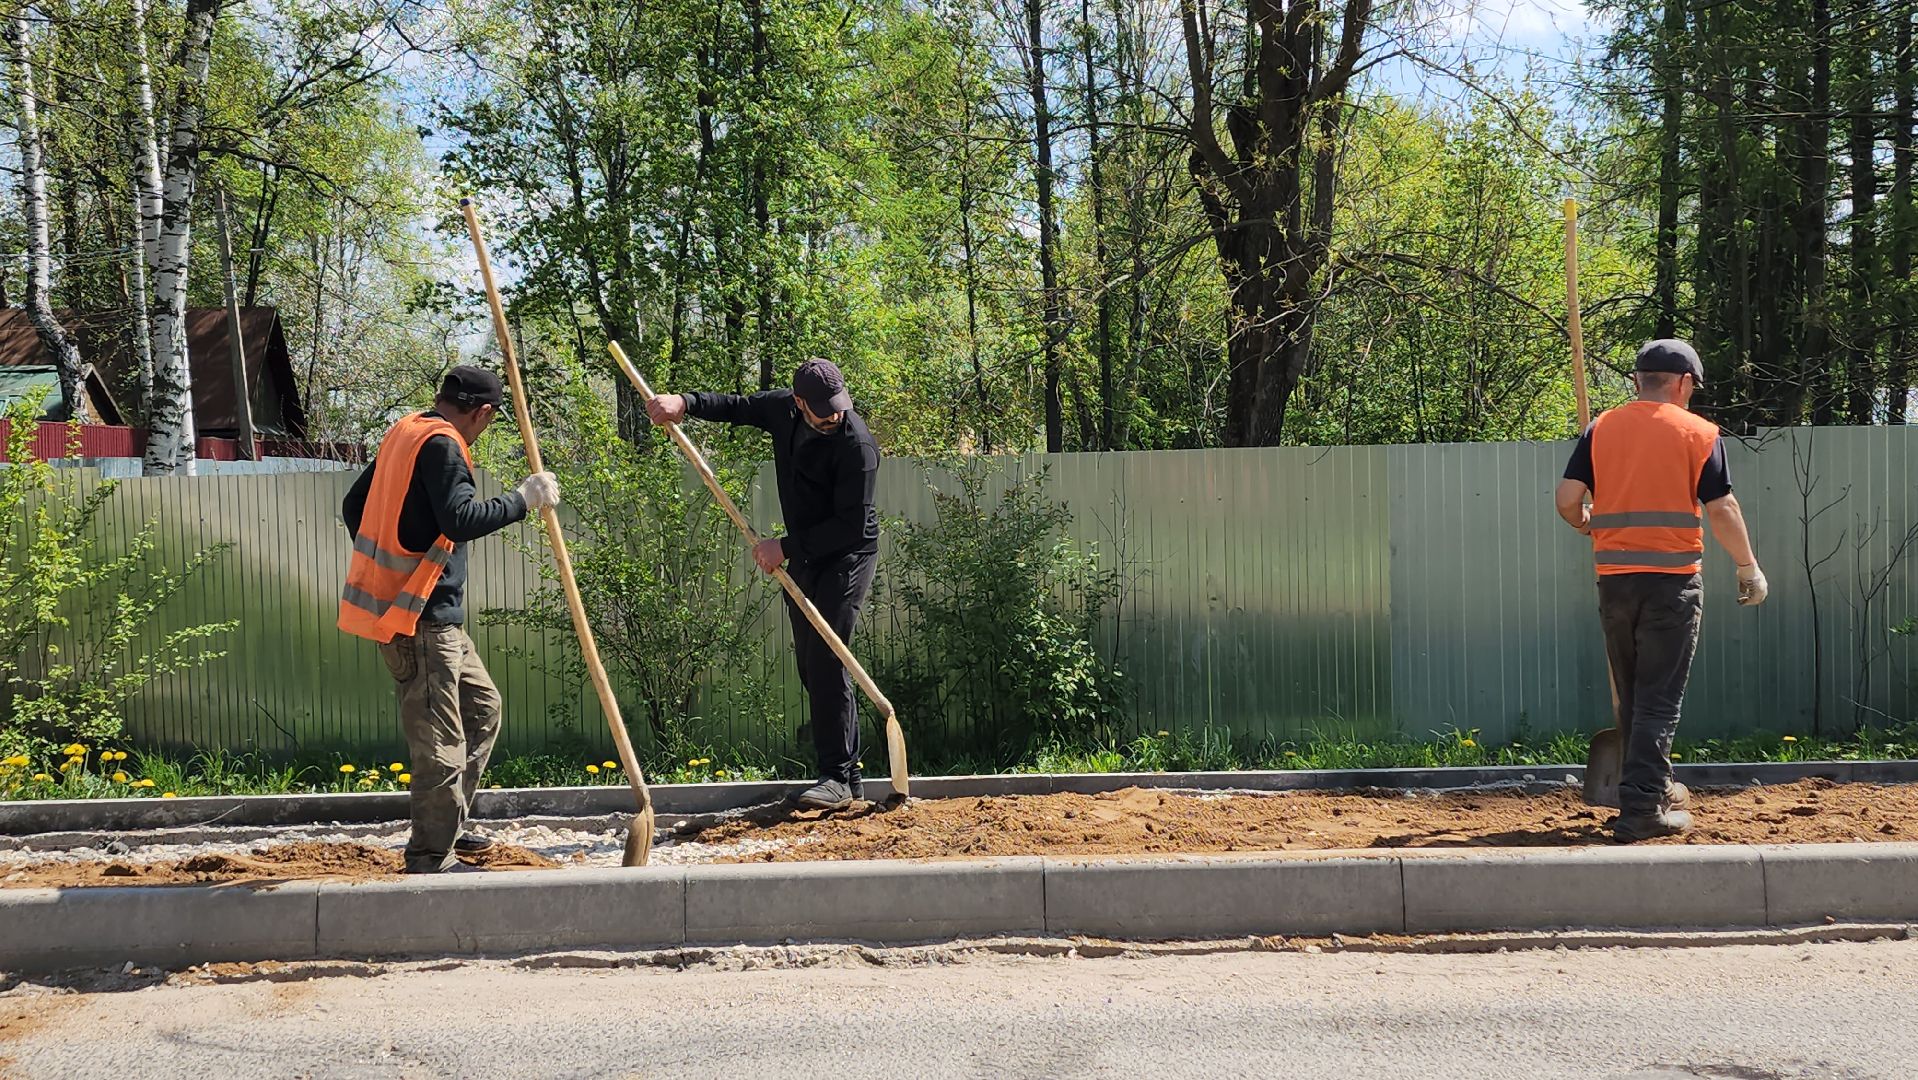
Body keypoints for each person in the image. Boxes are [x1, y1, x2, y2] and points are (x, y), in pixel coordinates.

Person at [338, 366, 560, 873]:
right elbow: (459, 519)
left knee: (482, 708)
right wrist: (522, 500)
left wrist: (401, 549)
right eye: (488, 421)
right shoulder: (442, 445)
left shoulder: (407, 431)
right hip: (421, 619)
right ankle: (430, 857)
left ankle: (448, 823)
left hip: (433, 617)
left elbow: (355, 506)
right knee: (441, 745)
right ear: (482, 412)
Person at [1555, 339, 1767, 841]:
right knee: (1658, 700)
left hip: (1615, 584)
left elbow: (1567, 501)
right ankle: (1642, 810)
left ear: (1637, 381)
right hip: (1671, 585)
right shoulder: (1699, 433)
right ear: (1684, 383)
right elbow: (1722, 509)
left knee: (1634, 696)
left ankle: (1653, 785)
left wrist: (1589, 523)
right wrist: (1748, 567)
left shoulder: (1601, 429)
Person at [647, 359, 880, 811]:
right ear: (798, 403)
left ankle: (834, 775)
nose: (832, 416)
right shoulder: (781, 410)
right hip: (805, 554)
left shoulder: (858, 446)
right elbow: (734, 406)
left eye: (836, 408)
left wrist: (785, 547)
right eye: (821, 409)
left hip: (847, 553)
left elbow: (851, 526)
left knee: (828, 656)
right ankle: (848, 780)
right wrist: (685, 404)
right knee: (812, 667)